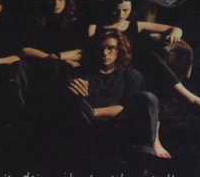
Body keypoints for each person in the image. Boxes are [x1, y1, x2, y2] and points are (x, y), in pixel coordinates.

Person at [90, 0, 200, 110]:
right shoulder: (95, 27)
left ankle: (188, 96)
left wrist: (175, 33)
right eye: (116, 11)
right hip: (108, 63)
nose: (121, 15)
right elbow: (88, 49)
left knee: (150, 56)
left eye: (125, 10)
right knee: (148, 57)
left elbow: (175, 28)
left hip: (134, 63)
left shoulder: (135, 25)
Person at [66, 29, 171, 157]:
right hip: (90, 127)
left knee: (148, 98)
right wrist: (69, 85)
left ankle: (147, 146)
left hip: (120, 127)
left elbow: (133, 109)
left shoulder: (131, 75)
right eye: (102, 48)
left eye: (111, 48)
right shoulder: (84, 73)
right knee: (70, 94)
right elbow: (80, 108)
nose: (105, 53)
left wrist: (156, 143)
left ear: (120, 50)